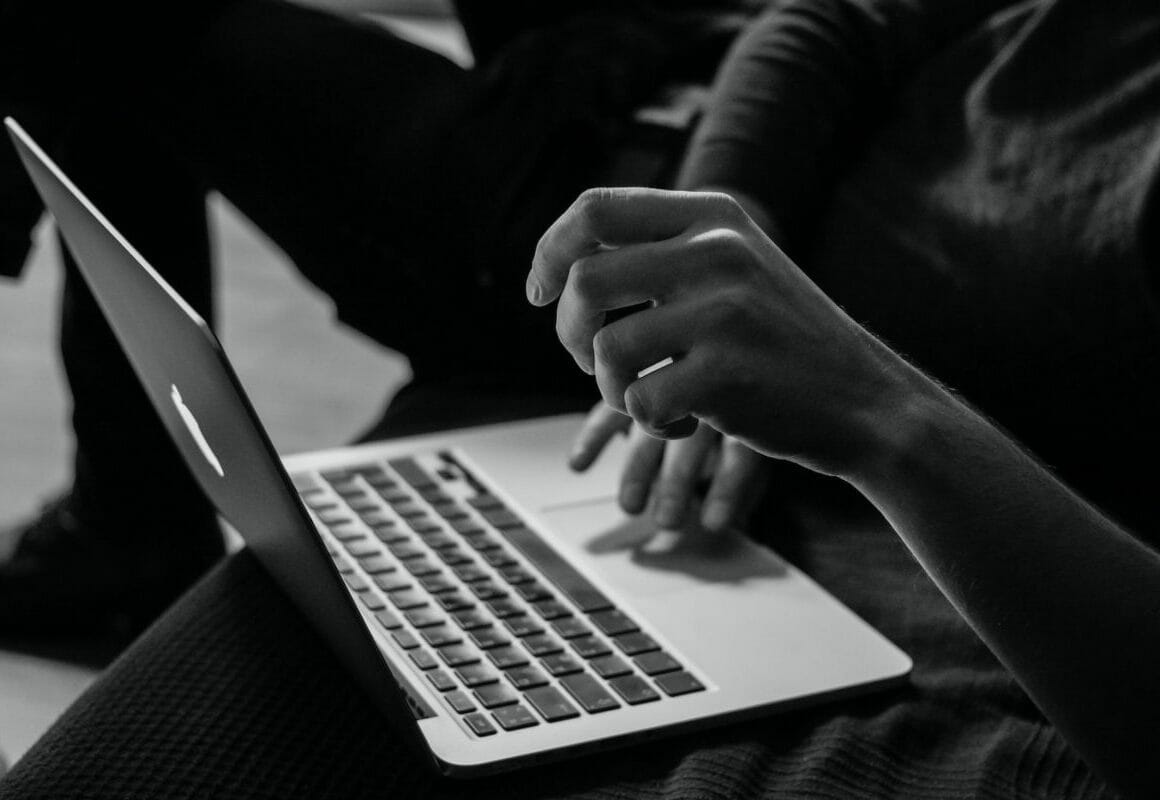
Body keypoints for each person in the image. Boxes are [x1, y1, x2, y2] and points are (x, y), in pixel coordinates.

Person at [0, 0, 1156, 796]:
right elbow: (827, 22)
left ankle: (122, 528)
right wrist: (720, 232)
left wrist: (870, 401)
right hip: (638, 120)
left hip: (565, 259)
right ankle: (127, 520)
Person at [0, 0, 752, 638]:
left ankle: (129, 531)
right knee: (105, 47)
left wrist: (719, 262)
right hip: (618, 85)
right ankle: (129, 529)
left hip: (615, 172)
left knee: (102, 23)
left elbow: (809, 32)